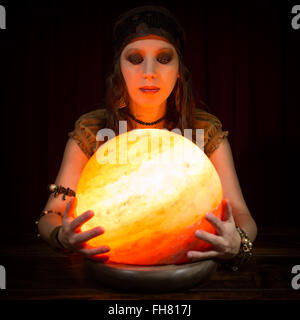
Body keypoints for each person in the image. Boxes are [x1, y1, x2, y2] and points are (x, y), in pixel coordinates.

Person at [37, 5, 257, 270]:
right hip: (111, 265)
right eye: (135, 58)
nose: (149, 72)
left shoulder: (205, 130)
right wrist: (63, 236)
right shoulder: (92, 131)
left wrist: (238, 243)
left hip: (189, 269)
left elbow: (241, 214)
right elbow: (52, 214)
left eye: (164, 58)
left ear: (179, 70)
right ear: (119, 68)